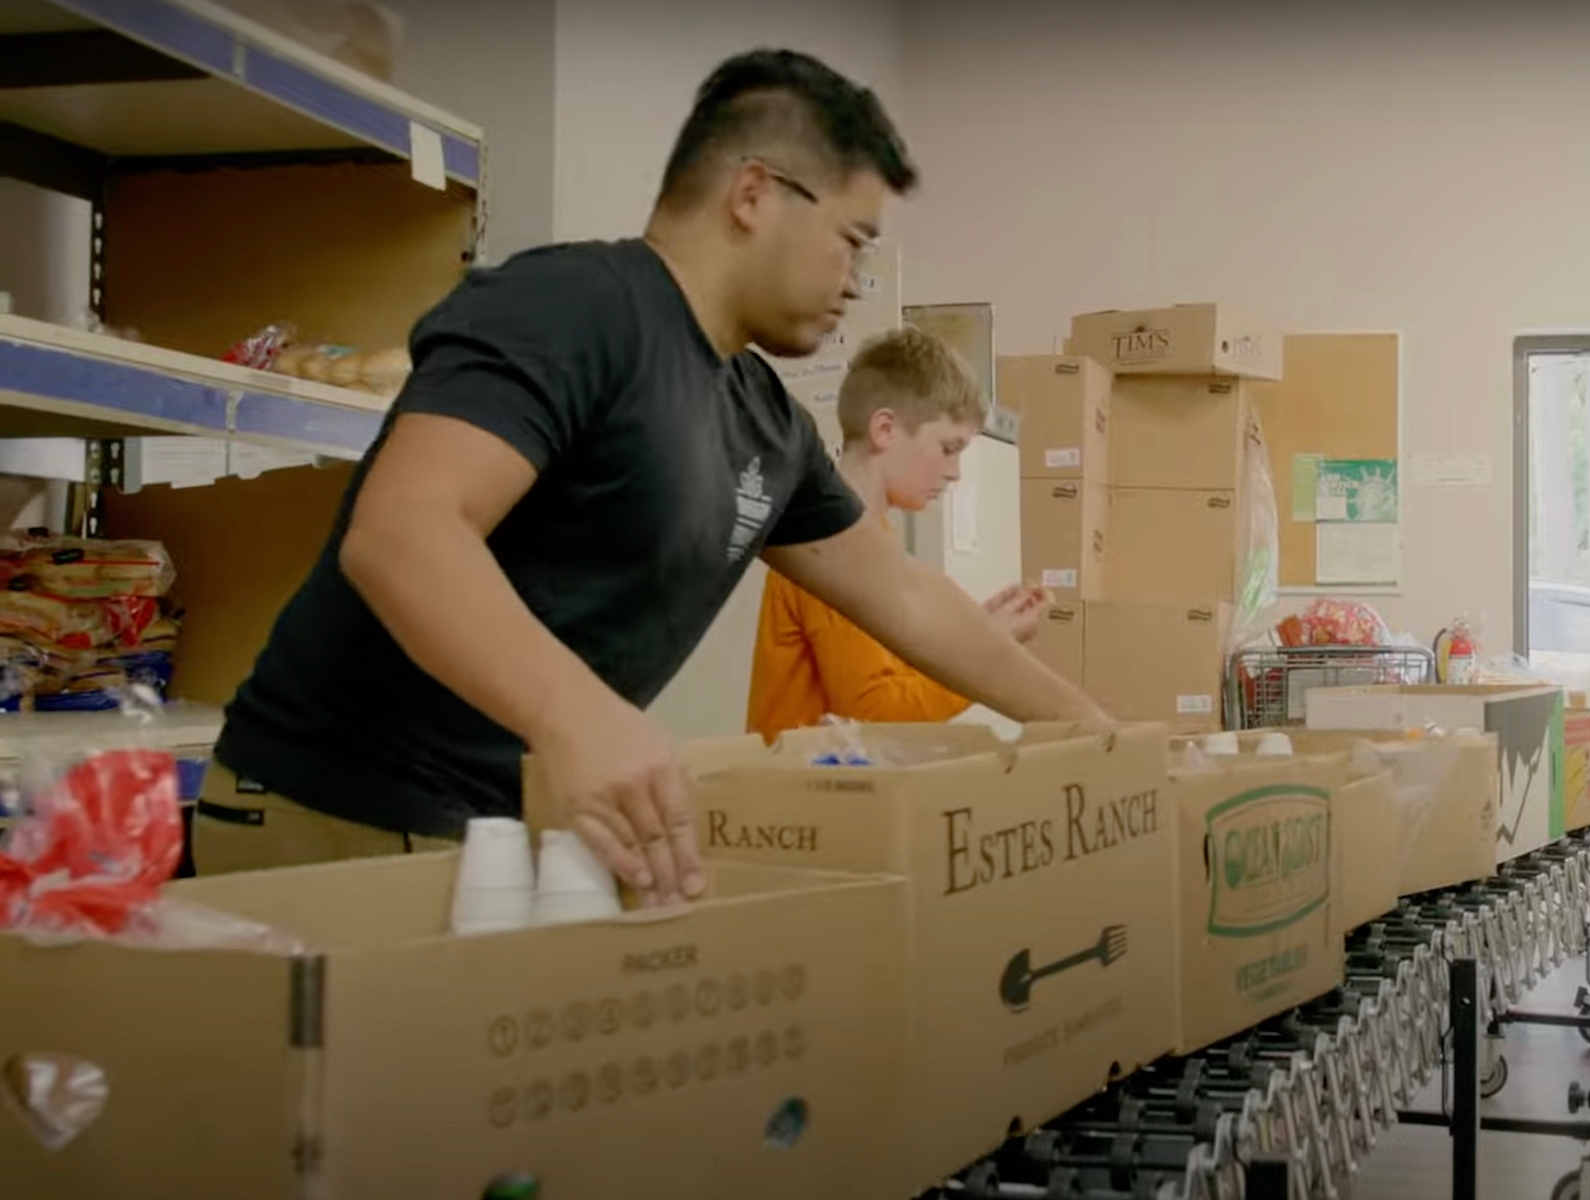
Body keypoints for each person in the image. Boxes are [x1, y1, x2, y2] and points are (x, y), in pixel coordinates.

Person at [196, 48, 1109, 903]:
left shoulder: (764, 423)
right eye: (849, 240)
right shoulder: (575, 307)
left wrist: (1095, 736)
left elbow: (907, 597)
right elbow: (404, 531)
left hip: (510, 831)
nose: (854, 280)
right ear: (754, 193)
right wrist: (575, 715)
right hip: (333, 816)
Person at [747, 326, 1051, 742]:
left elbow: (898, 671)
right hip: (798, 800)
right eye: (948, 448)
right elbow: (875, 711)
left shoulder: (871, 540)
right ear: (885, 430)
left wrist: (980, 632)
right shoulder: (832, 546)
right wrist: (982, 659)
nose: (955, 472)